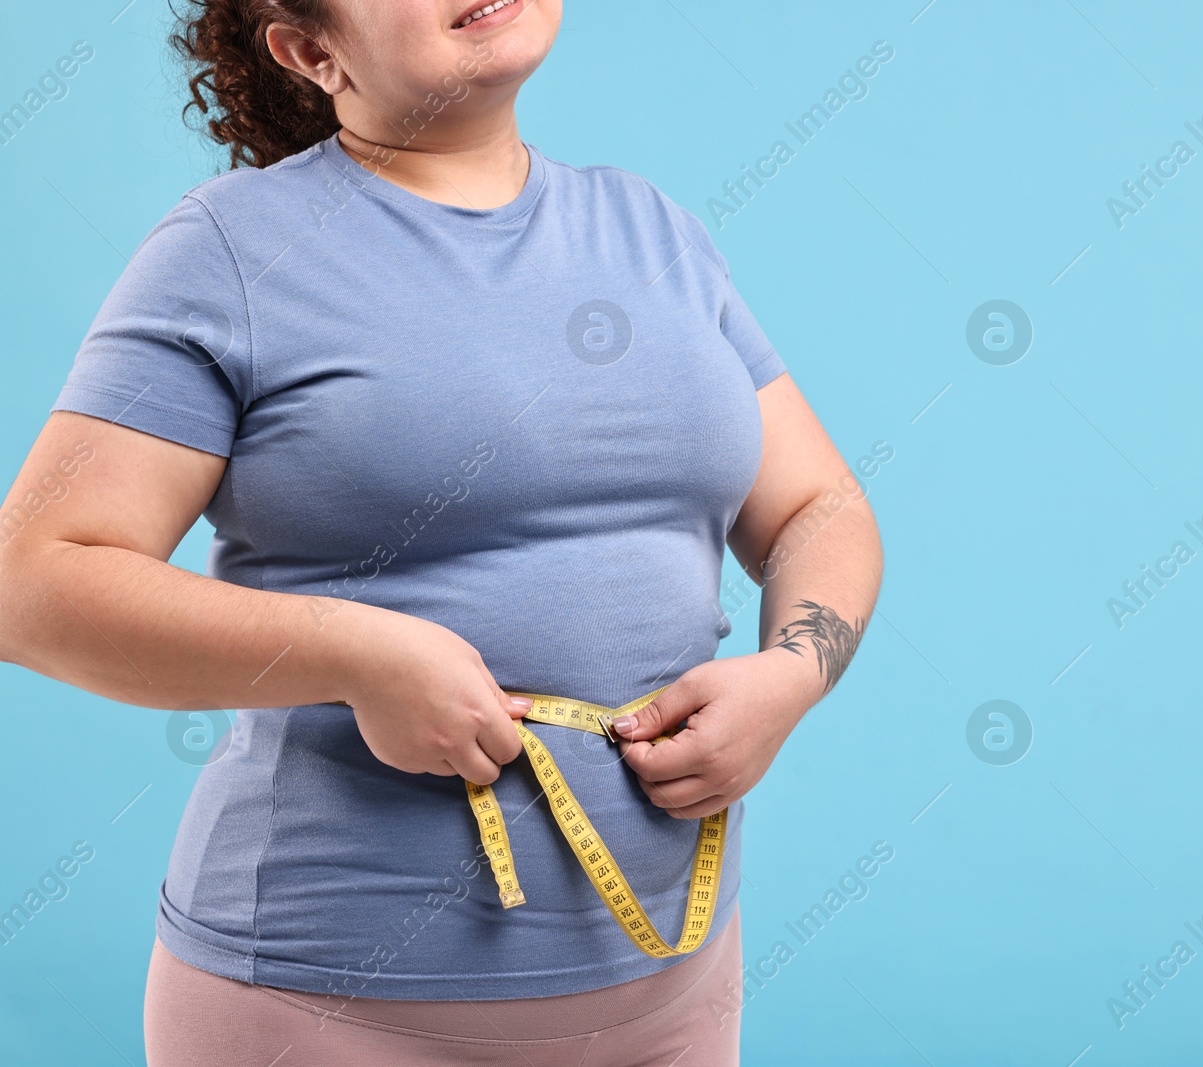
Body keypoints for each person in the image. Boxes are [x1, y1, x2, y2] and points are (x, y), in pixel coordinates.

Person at [0, 0, 883, 1063]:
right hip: (331, 1008)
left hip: (672, 992)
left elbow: (816, 508)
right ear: (311, 50)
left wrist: (790, 674)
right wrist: (354, 651)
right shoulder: (231, 249)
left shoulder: (652, 230)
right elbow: (30, 582)